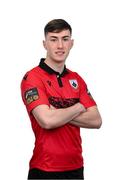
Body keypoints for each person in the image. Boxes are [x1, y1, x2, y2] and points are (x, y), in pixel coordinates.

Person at [21, 19, 102, 179]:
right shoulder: (32, 78)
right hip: (44, 168)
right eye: (53, 39)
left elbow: (96, 120)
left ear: (71, 43)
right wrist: (79, 106)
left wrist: (57, 112)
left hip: (76, 168)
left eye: (65, 39)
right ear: (45, 44)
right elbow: (47, 121)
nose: (60, 46)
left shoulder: (77, 79)